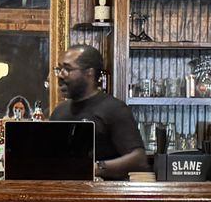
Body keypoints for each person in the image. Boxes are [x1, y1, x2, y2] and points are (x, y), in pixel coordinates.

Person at [49, 45, 148, 179]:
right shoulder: (59, 111)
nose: (60, 75)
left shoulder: (114, 109)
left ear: (89, 72)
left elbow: (139, 160)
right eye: (59, 69)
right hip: (62, 193)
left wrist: (96, 168)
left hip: (103, 195)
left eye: (67, 69)